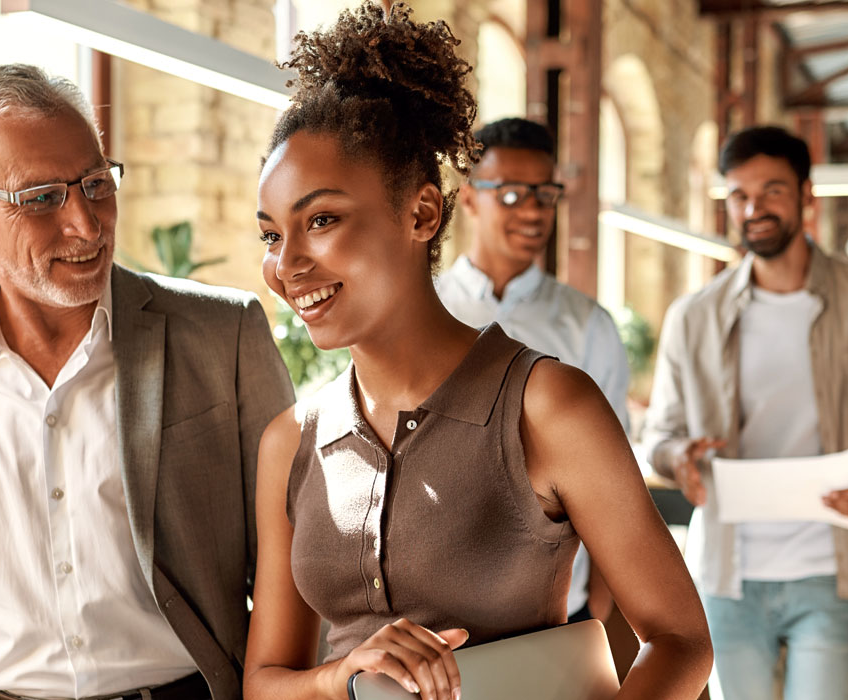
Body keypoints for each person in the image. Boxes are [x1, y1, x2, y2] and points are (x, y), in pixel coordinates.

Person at [242, 5, 712, 700]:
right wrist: (340, 675)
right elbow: (264, 683)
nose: (287, 264)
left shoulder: (547, 406)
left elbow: (681, 641)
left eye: (322, 220)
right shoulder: (291, 442)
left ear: (422, 214)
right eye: (271, 235)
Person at [0, 64, 294, 700]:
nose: (87, 226)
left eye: (95, 184)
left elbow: (295, 558)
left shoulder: (223, 336)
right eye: (40, 198)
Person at [642, 125, 848, 700]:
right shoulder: (694, 316)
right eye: (739, 195)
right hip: (727, 575)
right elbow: (660, 436)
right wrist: (679, 457)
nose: (753, 209)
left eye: (771, 191)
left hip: (833, 568)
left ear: (806, 196)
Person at [436, 116, 632, 624]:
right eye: (510, 194)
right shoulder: (425, 308)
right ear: (469, 198)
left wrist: (601, 607)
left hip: (561, 603)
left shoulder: (588, 325)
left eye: (544, 195)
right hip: (439, 603)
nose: (532, 211)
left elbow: (616, 478)